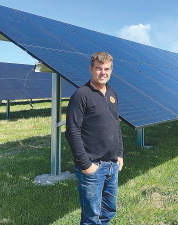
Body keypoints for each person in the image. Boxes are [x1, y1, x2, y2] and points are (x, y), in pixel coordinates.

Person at [65, 52, 124, 225]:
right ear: (91, 69)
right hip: (93, 166)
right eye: (98, 68)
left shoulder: (112, 93)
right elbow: (72, 131)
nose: (102, 72)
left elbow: (116, 125)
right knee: (91, 217)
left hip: (112, 165)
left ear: (111, 70)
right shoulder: (81, 95)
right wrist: (85, 164)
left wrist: (119, 154)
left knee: (108, 212)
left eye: (106, 69)